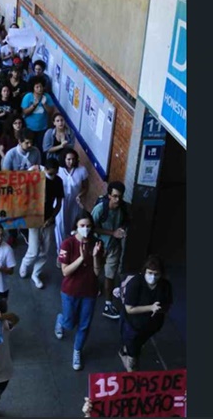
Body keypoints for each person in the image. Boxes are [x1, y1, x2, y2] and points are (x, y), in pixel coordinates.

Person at [54, 211, 104, 371]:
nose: (86, 229)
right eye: (82, 226)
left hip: (89, 291)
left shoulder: (97, 243)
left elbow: (97, 272)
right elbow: (65, 271)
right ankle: (60, 319)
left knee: (84, 324)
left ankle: (77, 350)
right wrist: (81, 258)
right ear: (76, 226)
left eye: (89, 226)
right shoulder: (67, 244)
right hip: (70, 291)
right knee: (70, 322)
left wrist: (95, 256)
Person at [119, 254, 172, 372]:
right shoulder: (136, 283)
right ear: (144, 271)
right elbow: (129, 309)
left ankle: (125, 351)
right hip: (133, 325)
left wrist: (161, 309)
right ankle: (132, 370)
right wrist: (151, 308)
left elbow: (167, 304)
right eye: (150, 273)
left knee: (138, 344)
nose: (152, 277)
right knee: (133, 354)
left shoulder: (165, 285)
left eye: (156, 274)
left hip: (152, 326)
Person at [18, 158, 63, 289]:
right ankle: (25, 265)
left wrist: (52, 218)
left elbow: (59, 203)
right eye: (50, 173)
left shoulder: (58, 182)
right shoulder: (36, 180)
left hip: (48, 220)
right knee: (33, 249)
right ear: (45, 170)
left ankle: (36, 274)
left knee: (45, 250)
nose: (52, 176)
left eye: (55, 173)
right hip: (34, 218)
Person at [91, 180, 129, 320]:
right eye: (115, 196)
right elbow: (92, 227)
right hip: (99, 246)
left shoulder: (123, 208)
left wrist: (122, 230)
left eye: (120, 196)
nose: (118, 199)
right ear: (109, 196)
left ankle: (108, 304)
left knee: (110, 276)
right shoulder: (100, 209)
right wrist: (112, 233)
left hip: (114, 247)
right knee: (95, 271)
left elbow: (126, 221)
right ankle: (91, 290)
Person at [55, 150, 89, 261]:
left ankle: (72, 251)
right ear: (64, 159)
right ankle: (60, 253)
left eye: (73, 159)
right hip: (61, 200)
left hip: (75, 201)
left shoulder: (82, 170)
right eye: (68, 159)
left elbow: (85, 187)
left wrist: (80, 195)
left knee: (73, 225)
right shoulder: (58, 170)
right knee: (60, 226)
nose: (71, 161)